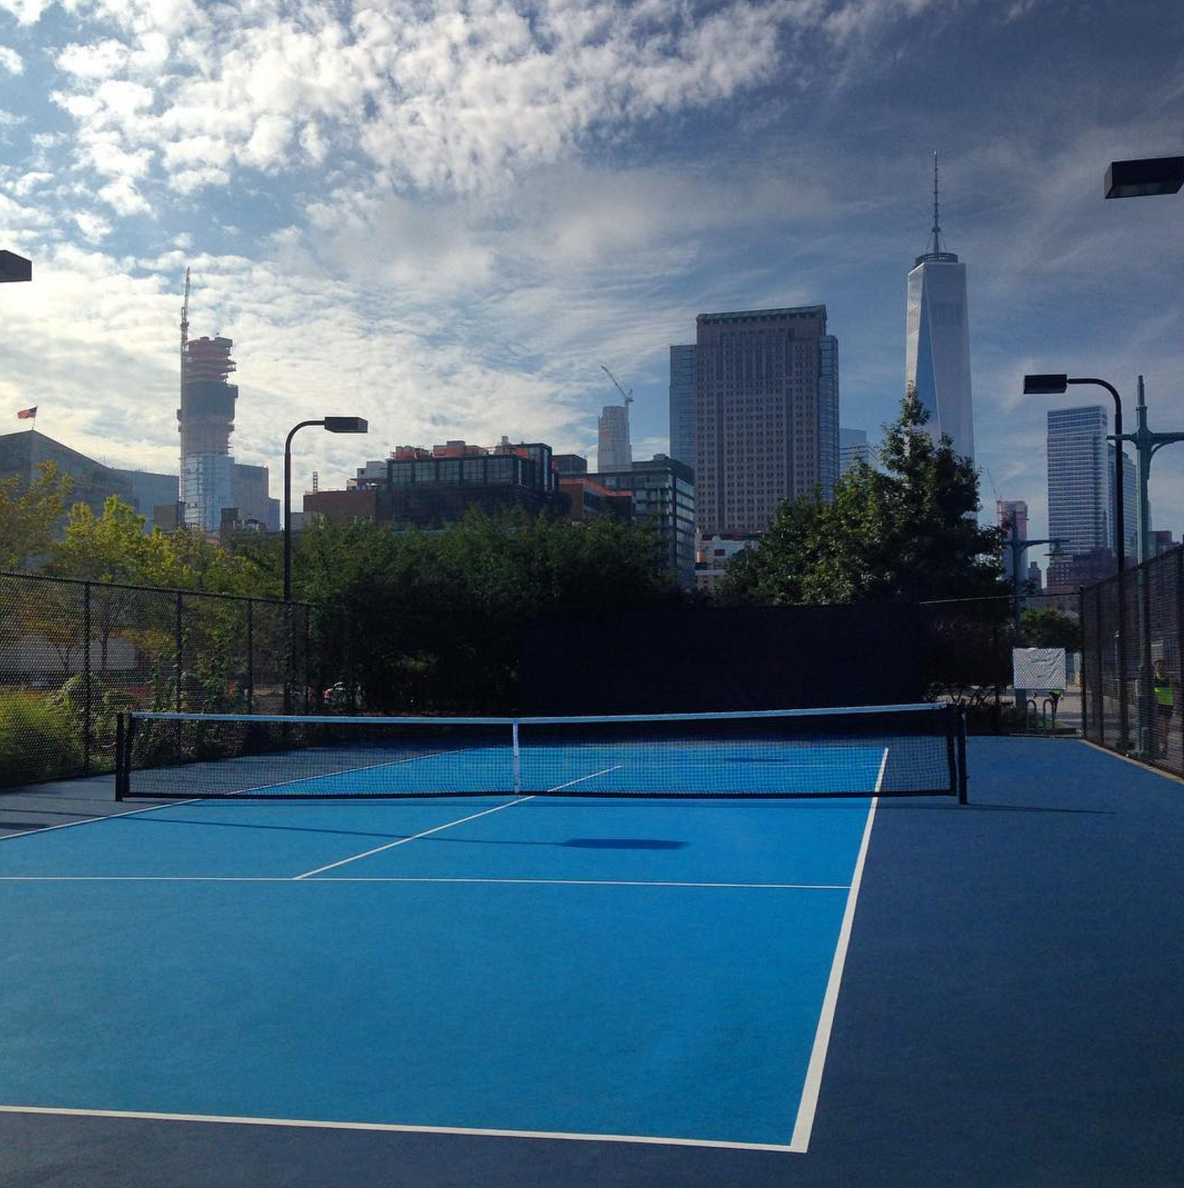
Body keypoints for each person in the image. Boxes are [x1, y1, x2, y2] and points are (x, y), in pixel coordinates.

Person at [1152, 658, 1174, 758]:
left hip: (1168, 705)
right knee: (1159, 726)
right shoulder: (1153, 678)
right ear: (1155, 667)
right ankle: (1159, 747)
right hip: (1157, 705)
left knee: (1164, 727)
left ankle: (1164, 747)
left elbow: (1177, 688)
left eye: (1162, 665)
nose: (1160, 667)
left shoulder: (1170, 678)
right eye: (1158, 665)